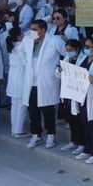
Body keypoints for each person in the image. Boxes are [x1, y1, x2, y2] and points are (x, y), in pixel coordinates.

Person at [23, 20, 66, 150]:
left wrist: (59, 67)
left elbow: (67, 54)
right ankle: (36, 134)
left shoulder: (54, 41)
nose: (32, 31)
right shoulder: (28, 40)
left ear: (42, 30)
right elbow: (20, 53)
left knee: (48, 110)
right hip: (31, 81)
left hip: (47, 81)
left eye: (34, 29)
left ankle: (51, 135)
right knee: (32, 110)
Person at [5, 27, 29, 138]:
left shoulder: (12, 46)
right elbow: (26, 62)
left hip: (13, 76)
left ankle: (14, 129)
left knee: (15, 104)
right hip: (20, 75)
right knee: (21, 104)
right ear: (19, 35)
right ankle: (18, 130)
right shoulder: (20, 47)